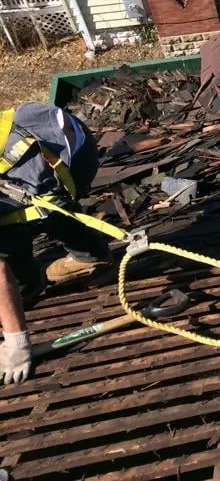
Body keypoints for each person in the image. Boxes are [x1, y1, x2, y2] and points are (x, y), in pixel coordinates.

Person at [0, 103, 109, 384]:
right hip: (49, 128)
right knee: (33, 206)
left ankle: (79, 261)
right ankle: (89, 253)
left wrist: (16, 342)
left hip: (62, 154)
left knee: (28, 214)